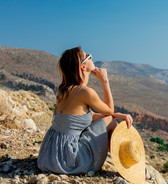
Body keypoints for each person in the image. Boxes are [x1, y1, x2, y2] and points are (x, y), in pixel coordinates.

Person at [37, 46, 133, 174]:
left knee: (111, 119)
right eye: (88, 56)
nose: (91, 57)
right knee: (111, 122)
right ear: (83, 67)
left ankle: (127, 165)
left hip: (50, 155)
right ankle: (128, 165)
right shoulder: (85, 92)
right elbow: (109, 110)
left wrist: (117, 115)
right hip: (68, 159)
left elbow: (90, 116)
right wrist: (105, 81)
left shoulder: (63, 89)